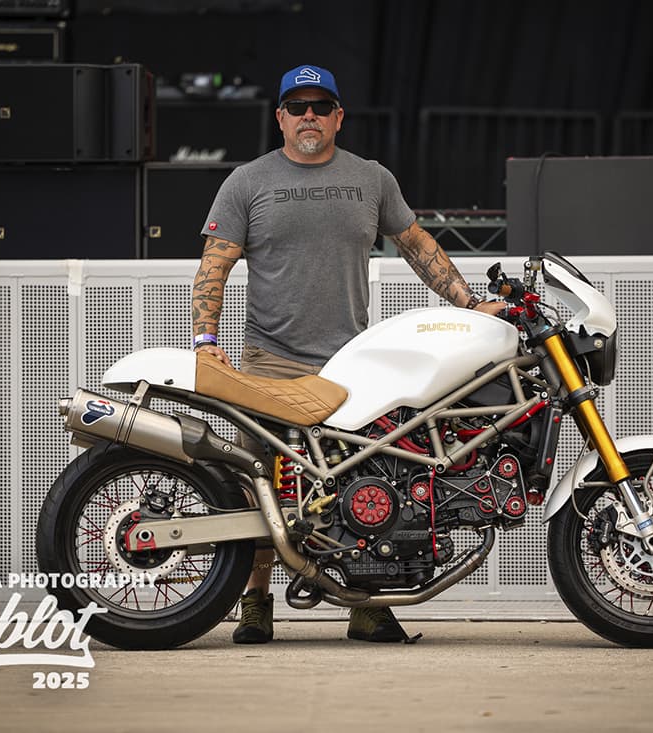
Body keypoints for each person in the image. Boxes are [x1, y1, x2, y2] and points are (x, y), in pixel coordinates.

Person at [191, 64, 505, 645]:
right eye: (297, 106)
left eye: (320, 105)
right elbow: (216, 264)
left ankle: (366, 605)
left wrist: (470, 304)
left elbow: (417, 245)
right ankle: (254, 601)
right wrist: (207, 345)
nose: (308, 115)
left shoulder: (371, 179)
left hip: (353, 366)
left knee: (368, 481)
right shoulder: (247, 182)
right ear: (280, 117)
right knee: (261, 481)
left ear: (339, 116)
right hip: (271, 363)